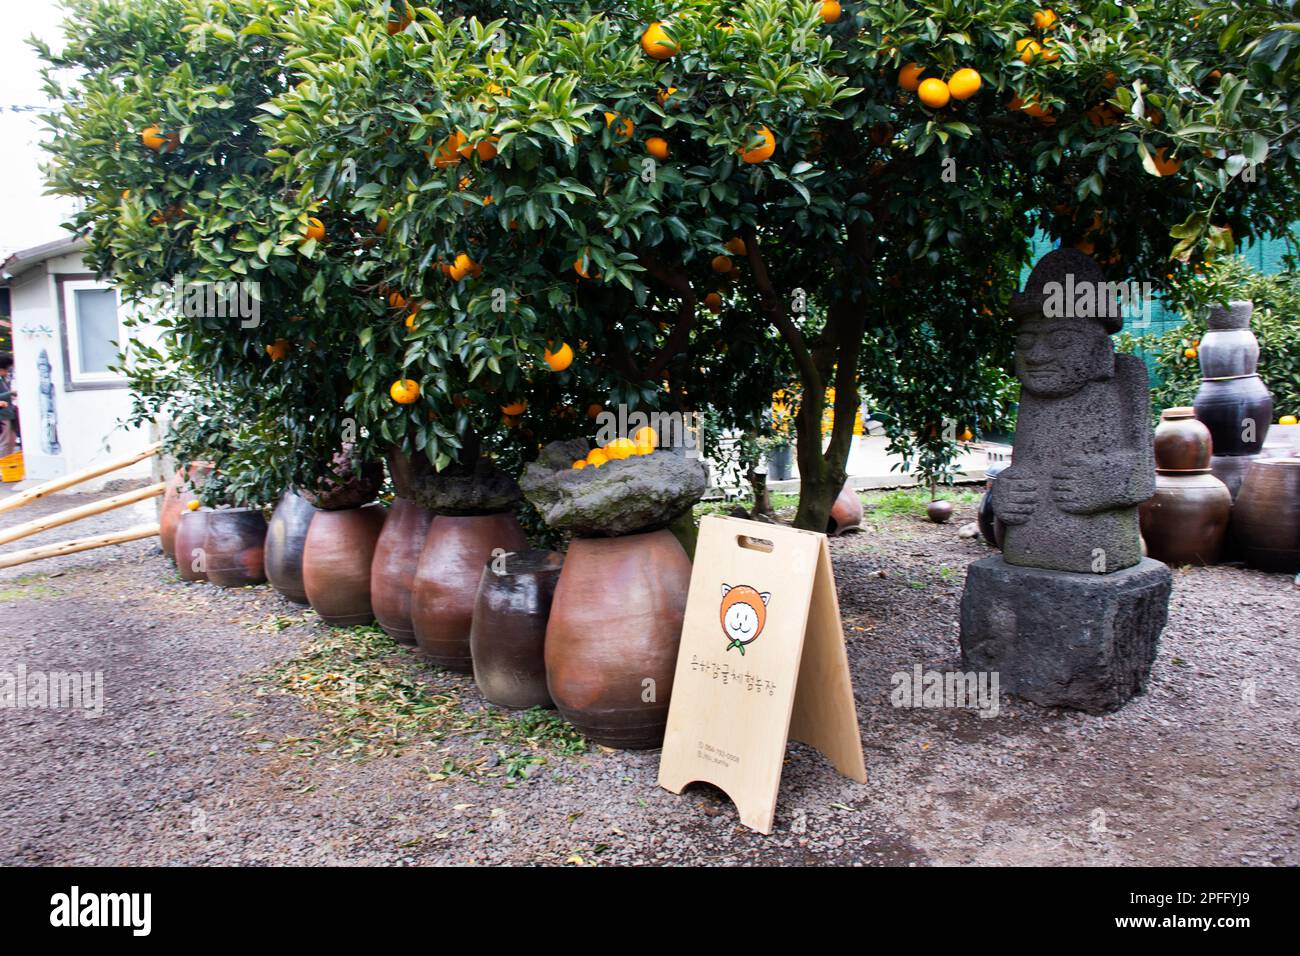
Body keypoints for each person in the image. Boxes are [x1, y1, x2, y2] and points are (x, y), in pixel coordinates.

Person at [0, 352, 17, 459]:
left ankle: (9, 466)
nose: (7, 372)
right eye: (6, 369)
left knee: (11, 441)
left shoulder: (3, 380)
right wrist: (11, 393)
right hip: (2, 415)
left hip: (9, 414)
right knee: (4, 442)